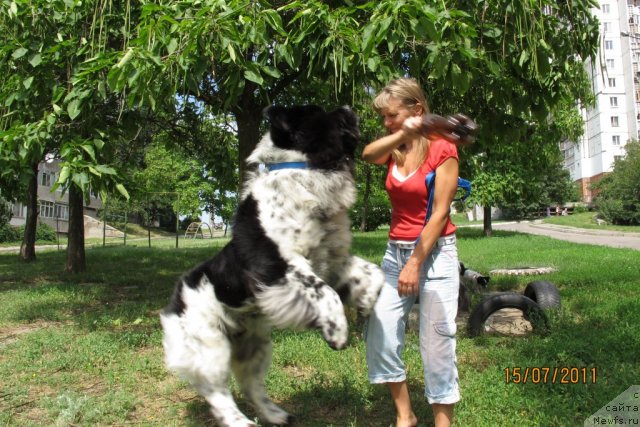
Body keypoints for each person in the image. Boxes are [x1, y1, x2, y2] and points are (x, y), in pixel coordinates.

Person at [361, 78, 474, 427]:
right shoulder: (395, 148)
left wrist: (415, 262)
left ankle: (443, 422)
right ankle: (405, 415)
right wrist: (404, 132)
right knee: (379, 333)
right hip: (395, 256)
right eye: (383, 117)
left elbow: (440, 214)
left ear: (417, 109)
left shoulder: (444, 150)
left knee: (437, 344)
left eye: (391, 116)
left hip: (434, 256)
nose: (385, 122)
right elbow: (368, 154)